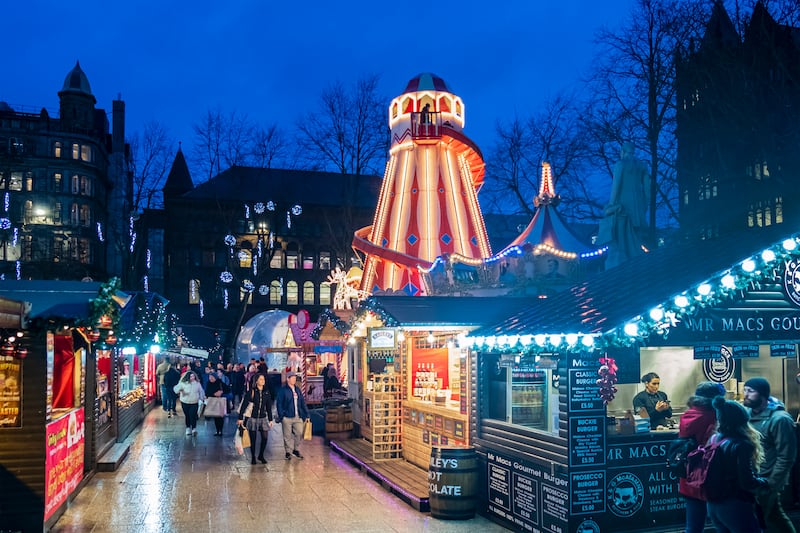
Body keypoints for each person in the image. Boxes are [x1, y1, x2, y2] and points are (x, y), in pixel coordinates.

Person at [705, 396, 769, 533]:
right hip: (735, 504)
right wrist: (763, 483)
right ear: (741, 419)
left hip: (713, 504)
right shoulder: (741, 445)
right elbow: (746, 481)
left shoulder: (714, 439)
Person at [743, 377, 798, 533]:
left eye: (751, 391)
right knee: (770, 517)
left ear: (763, 395)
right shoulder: (746, 415)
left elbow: (786, 456)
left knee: (766, 518)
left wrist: (772, 484)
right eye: (745, 390)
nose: (745, 394)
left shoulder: (780, 419)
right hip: (751, 478)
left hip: (767, 479)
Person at [678, 381, 725, 533]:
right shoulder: (714, 416)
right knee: (723, 524)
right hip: (710, 474)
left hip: (690, 475)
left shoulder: (687, 414)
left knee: (693, 526)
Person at [598, 142, 650, 268]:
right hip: (638, 206)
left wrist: (611, 204)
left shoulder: (620, 165)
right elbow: (647, 188)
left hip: (624, 204)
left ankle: (622, 262)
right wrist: (645, 205)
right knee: (636, 237)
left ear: (622, 151)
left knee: (621, 236)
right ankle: (637, 263)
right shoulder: (642, 166)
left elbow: (616, 186)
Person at [237, 374, 274, 464]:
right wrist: (240, 417)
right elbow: (244, 405)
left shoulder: (266, 392)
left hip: (263, 417)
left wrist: (270, 419)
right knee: (253, 439)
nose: (263, 381)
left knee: (265, 437)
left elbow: (269, 406)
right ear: (256, 381)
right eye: (261, 379)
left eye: (263, 379)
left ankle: (261, 455)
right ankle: (253, 456)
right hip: (252, 418)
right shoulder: (252, 392)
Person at [276, 371, 310, 460]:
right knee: (287, 435)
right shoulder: (283, 390)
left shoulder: (298, 390)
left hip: (297, 416)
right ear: (288, 379)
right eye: (292, 378)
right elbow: (279, 403)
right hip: (287, 416)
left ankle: (296, 449)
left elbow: (302, 402)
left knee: (299, 432)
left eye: (295, 378)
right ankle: (288, 452)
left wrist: (307, 413)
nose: (294, 379)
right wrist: (282, 415)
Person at [173, 371, 205, 436]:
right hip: (185, 402)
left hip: (194, 401)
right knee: (187, 415)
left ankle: (194, 428)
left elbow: (201, 391)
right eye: (191, 376)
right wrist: (180, 390)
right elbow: (176, 389)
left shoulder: (197, 383)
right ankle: (188, 428)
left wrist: (202, 398)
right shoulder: (183, 383)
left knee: (193, 415)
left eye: (193, 376)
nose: (192, 378)